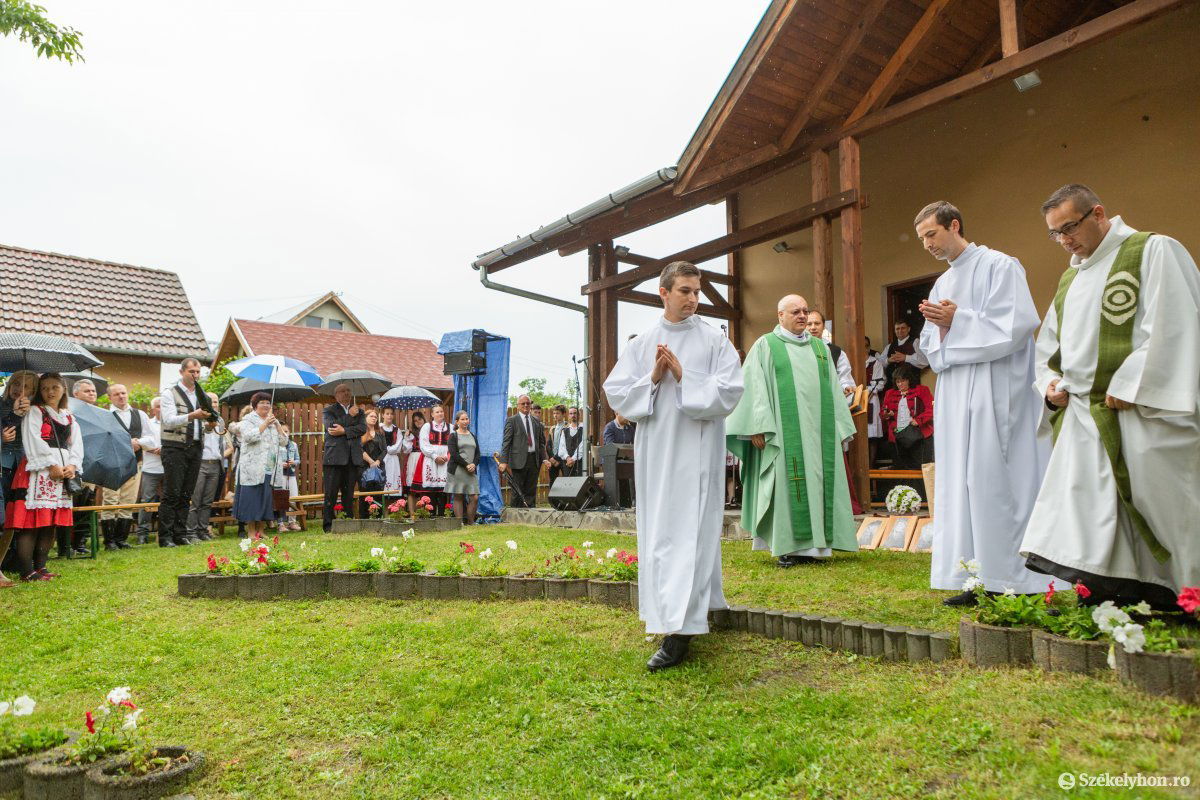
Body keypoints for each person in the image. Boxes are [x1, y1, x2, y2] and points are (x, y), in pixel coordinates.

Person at [1021, 184, 1200, 607]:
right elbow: (1049, 347)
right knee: (1092, 512)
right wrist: (1048, 384)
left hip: (1139, 407)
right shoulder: (1071, 279)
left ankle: (1182, 593)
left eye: (1069, 227)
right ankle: (1113, 590)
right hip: (1084, 414)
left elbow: (1178, 320)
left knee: (1161, 504)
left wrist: (1131, 381)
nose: (1064, 240)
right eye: (1055, 233)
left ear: (1098, 213)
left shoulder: (1152, 250)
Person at [913, 200, 1061, 606]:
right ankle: (971, 576)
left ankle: (1008, 576)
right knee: (960, 480)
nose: (927, 244)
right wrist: (942, 328)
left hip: (997, 388)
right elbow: (930, 346)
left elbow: (1017, 325)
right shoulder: (942, 284)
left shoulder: (1001, 265)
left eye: (932, 234)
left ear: (954, 225)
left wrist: (957, 321)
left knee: (994, 478)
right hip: (958, 390)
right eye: (922, 238)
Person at [603, 261, 744, 672]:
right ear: (663, 292)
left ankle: (680, 630)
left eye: (697, 292)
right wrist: (652, 377)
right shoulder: (643, 341)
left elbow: (731, 390)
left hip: (697, 453)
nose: (693, 299)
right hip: (658, 455)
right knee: (663, 533)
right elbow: (617, 395)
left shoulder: (714, 340)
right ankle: (673, 610)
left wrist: (685, 378)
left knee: (691, 531)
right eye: (684, 291)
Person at [727, 294, 858, 568]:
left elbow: (834, 389)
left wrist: (839, 426)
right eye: (795, 312)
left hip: (819, 434)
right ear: (780, 316)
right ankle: (785, 546)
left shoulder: (821, 349)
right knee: (787, 485)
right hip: (782, 433)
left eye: (805, 311)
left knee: (820, 482)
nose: (801, 316)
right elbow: (754, 388)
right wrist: (756, 426)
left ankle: (818, 546)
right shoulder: (766, 345)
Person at [6, 373, 83, 581]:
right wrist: (51, 464)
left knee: (49, 523)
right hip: (38, 470)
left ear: (63, 389)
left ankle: (41, 567)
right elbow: (33, 439)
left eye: (54, 387)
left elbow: (76, 444)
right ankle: (26, 570)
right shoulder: (35, 412)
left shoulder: (69, 416)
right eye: (45, 388)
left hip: (61, 473)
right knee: (31, 523)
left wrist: (72, 465)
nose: (50, 392)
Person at [158, 358, 218, 547]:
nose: (195, 375)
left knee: (186, 493)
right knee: (171, 493)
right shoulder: (170, 393)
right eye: (191, 371)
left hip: (195, 447)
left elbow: (205, 428)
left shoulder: (202, 396)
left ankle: (180, 534)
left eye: (198, 372)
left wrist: (210, 426)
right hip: (174, 448)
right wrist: (193, 416)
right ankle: (165, 537)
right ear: (181, 372)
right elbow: (168, 420)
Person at [97, 384, 150, 550]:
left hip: (135, 462)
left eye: (123, 393)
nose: (121, 396)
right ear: (110, 398)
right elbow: (101, 440)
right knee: (111, 500)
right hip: (112, 463)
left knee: (128, 500)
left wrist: (139, 442)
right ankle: (109, 541)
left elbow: (151, 437)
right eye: (116, 394)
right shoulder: (105, 415)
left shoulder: (139, 414)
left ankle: (122, 539)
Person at [1, 370, 40, 587]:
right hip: (3, 465)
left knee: (16, 514)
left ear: (33, 392)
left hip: (23, 467)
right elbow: (6, 428)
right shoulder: (1, 404)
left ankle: (13, 558)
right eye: (16, 383)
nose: (19, 389)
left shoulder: (34, 410)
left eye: (26, 387)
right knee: (2, 514)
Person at [233, 392, 285, 538]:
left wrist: (277, 425)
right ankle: (250, 532)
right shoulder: (247, 420)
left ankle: (261, 531)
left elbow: (284, 442)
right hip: (252, 468)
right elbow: (249, 437)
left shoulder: (273, 422)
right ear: (255, 405)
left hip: (270, 467)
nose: (266, 405)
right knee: (252, 499)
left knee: (265, 499)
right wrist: (265, 424)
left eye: (268, 403)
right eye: (262, 402)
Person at [321, 384, 366, 533]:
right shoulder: (329, 410)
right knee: (331, 493)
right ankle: (328, 525)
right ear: (336, 395)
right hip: (334, 458)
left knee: (349, 494)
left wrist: (344, 430)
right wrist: (349, 416)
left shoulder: (359, 411)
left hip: (352, 458)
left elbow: (362, 429)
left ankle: (348, 523)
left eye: (348, 391)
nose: (346, 393)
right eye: (343, 391)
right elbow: (332, 428)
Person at [185, 392, 225, 543]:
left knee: (207, 502)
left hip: (215, 464)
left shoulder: (220, 420)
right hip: (200, 463)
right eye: (211, 401)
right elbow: (198, 435)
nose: (214, 404)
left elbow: (221, 443)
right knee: (195, 501)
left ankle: (202, 530)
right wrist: (208, 427)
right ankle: (190, 532)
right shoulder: (197, 419)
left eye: (216, 401)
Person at [880, 364, 934, 469]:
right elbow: (883, 412)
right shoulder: (889, 393)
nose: (900, 384)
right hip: (898, 437)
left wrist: (918, 420)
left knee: (921, 469)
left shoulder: (922, 390)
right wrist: (887, 414)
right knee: (901, 468)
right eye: (898, 381)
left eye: (903, 381)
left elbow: (931, 409)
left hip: (919, 436)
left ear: (909, 380)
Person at [498, 395, 545, 509]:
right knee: (517, 490)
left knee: (531, 489)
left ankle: (530, 513)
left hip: (534, 460)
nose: (526, 405)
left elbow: (541, 443)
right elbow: (506, 442)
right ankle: (515, 514)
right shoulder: (512, 421)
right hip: (518, 461)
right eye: (523, 403)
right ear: (518, 406)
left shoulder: (536, 421)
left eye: (528, 403)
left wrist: (545, 458)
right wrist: (503, 461)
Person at [133, 397, 163, 545]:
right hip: (151, 467)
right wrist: (153, 449)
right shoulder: (148, 424)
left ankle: (164, 532)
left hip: (169, 468)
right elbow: (141, 442)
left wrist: (166, 450)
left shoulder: (173, 424)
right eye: (158, 407)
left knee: (167, 502)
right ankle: (142, 534)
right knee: (147, 501)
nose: (161, 409)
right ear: (153, 409)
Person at [446, 410, 481, 524]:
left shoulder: (472, 435)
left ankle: (471, 522)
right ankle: (459, 523)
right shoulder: (453, 436)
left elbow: (477, 453)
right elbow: (454, 455)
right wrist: (467, 465)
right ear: (457, 421)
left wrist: (474, 464)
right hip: (457, 470)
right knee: (458, 496)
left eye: (467, 419)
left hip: (471, 471)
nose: (465, 421)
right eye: (462, 419)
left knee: (474, 497)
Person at [417, 405, 452, 516]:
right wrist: (435, 456)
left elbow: (453, 445)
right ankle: (429, 515)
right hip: (431, 461)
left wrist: (447, 457)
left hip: (445, 461)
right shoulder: (427, 427)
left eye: (441, 411)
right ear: (432, 414)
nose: (440, 413)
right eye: (437, 412)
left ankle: (442, 515)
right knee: (430, 488)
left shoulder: (450, 427)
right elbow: (423, 444)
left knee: (443, 488)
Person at [881, 319, 928, 390]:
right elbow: (879, 364)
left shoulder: (915, 342)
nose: (900, 331)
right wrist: (888, 361)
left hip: (911, 386)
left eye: (903, 328)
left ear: (908, 329)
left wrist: (906, 358)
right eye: (897, 329)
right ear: (894, 331)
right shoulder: (889, 346)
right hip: (892, 386)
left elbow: (925, 361)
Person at [273, 423, 301, 531]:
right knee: (281, 499)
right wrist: (280, 464)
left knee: (293, 497)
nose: (284, 433)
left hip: (291, 474)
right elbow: (273, 460)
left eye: (286, 431)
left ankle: (292, 522)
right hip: (280, 475)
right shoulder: (276, 446)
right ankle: (280, 523)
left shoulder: (293, 445)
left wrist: (294, 462)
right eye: (282, 431)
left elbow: (298, 459)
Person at [359, 409, 387, 516]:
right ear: (365, 418)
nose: (374, 418)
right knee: (365, 494)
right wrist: (371, 462)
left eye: (375, 417)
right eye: (371, 416)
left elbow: (385, 450)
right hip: (364, 467)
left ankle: (378, 517)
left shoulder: (380, 433)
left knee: (378, 493)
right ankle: (364, 519)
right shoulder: (360, 433)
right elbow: (359, 449)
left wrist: (377, 461)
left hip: (379, 467)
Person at [865, 337, 887, 467]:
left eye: (866, 345)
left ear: (868, 347)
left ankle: (871, 466)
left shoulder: (875, 363)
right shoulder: (852, 361)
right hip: (855, 399)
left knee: (872, 436)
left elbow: (879, 382)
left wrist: (866, 392)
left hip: (871, 399)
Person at [379, 407, 404, 494]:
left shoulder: (397, 430)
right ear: (382, 415)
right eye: (387, 413)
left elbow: (398, 447)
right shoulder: (379, 428)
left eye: (391, 414)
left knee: (393, 478)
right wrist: (385, 450)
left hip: (393, 459)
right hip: (381, 458)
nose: (389, 416)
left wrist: (386, 449)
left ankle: (394, 504)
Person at [556, 406, 584, 478]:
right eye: (571, 413)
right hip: (567, 463)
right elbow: (561, 447)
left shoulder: (584, 428)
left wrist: (573, 459)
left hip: (580, 463)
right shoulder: (565, 430)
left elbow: (583, 446)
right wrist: (568, 458)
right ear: (568, 416)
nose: (573, 415)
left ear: (579, 415)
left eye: (575, 413)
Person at [402, 411, 424, 501]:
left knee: (423, 488)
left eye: (420, 419)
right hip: (413, 459)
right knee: (412, 488)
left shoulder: (429, 431)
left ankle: (422, 514)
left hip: (425, 459)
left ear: (423, 419)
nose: (418, 422)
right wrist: (406, 437)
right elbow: (406, 450)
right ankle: (412, 514)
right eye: (415, 420)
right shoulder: (411, 434)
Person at [546, 404, 567, 489]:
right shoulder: (552, 428)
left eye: (557, 413)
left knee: (567, 480)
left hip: (563, 459)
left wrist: (557, 458)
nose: (555, 415)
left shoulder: (567, 427)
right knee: (552, 481)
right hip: (552, 459)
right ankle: (553, 501)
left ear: (563, 414)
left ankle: (566, 501)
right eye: (554, 413)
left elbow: (566, 445)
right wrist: (551, 458)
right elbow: (548, 445)